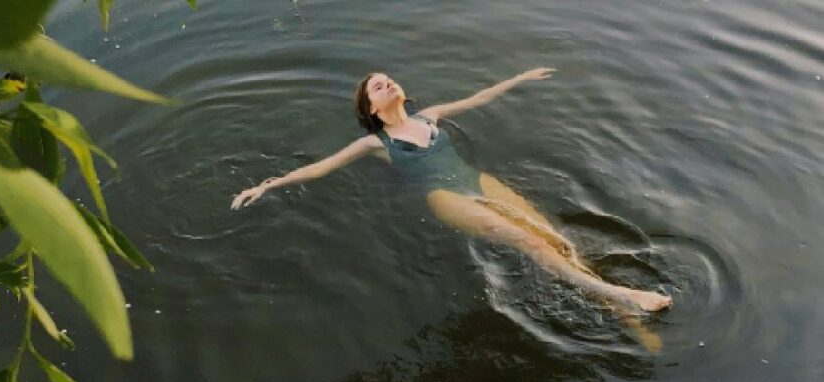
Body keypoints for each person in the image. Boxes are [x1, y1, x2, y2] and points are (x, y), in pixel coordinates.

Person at [231, 68, 672, 314]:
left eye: (388, 78)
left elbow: (480, 97)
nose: (387, 83)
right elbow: (319, 168)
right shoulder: (374, 144)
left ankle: (613, 303)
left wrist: (519, 78)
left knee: (555, 235)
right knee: (527, 240)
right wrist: (267, 185)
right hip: (445, 197)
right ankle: (622, 296)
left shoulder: (431, 116)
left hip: (476, 181)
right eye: (376, 87)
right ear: (370, 109)